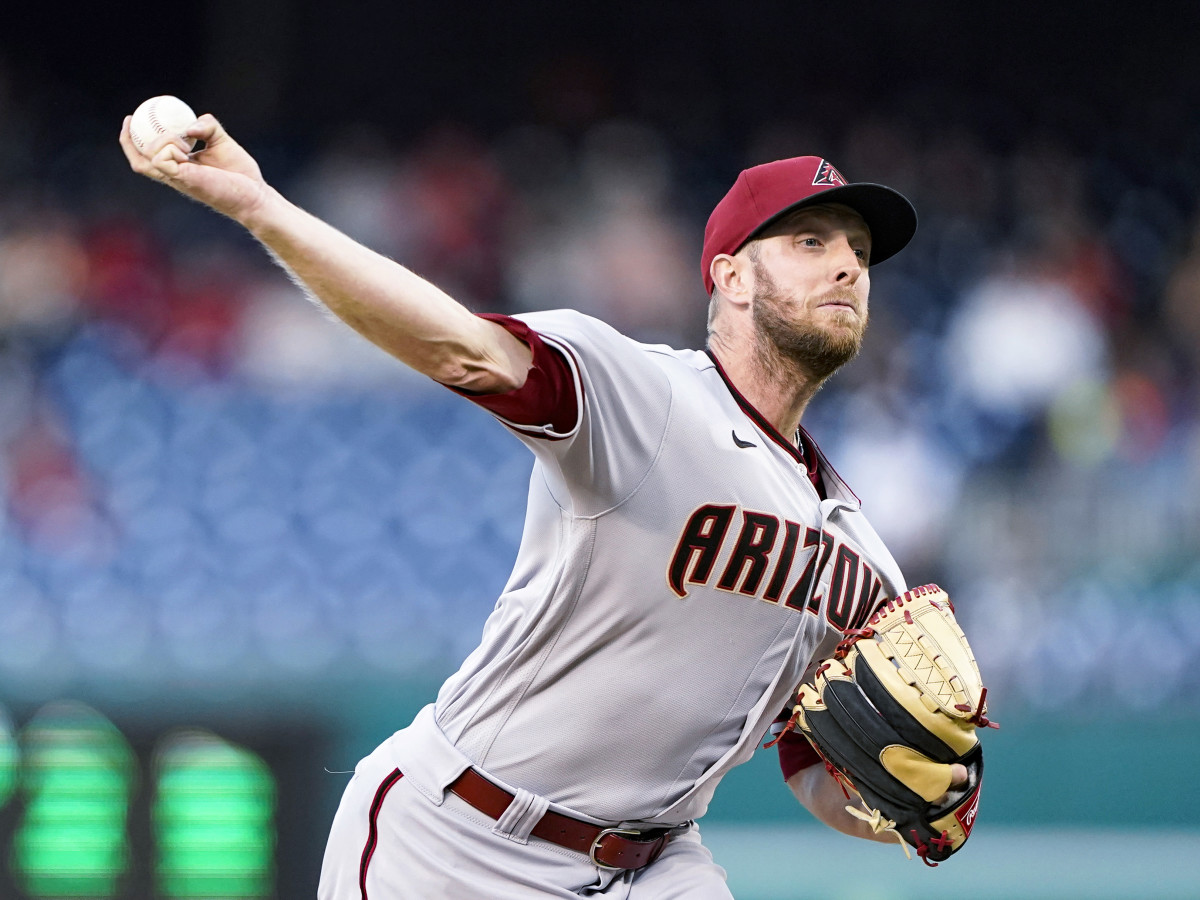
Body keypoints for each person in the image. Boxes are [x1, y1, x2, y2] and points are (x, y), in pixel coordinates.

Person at [121, 112, 963, 899]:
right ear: (731, 277)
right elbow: (459, 347)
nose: (849, 264)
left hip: (654, 862)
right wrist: (260, 206)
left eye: (857, 249)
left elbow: (814, 766)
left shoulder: (863, 555)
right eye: (811, 241)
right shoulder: (647, 396)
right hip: (459, 838)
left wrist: (922, 804)